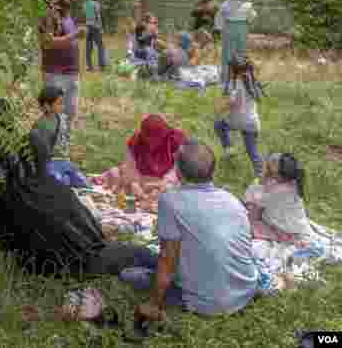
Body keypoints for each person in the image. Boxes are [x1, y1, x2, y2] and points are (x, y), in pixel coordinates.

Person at [0, 98, 155, 278]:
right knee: (142, 253)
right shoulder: (58, 191)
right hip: (74, 266)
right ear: (45, 159)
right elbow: (95, 238)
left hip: (33, 267)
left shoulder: (0, 194)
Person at [120, 140, 258, 320]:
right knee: (144, 255)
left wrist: (153, 305)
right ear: (212, 171)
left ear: (178, 172)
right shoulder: (231, 199)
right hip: (245, 291)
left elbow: (168, 260)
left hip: (208, 303)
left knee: (129, 275)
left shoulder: (171, 201)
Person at [96, 114, 186, 210]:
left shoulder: (176, 139)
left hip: (165, 183)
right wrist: (134, 183)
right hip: (144, 180)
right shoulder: (136, 140)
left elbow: (178, 169)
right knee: (116, 174)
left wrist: (162, 184)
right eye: (148, 138)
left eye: (155, 138)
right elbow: (130, 166)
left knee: (168, 191)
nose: (151, 143)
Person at [38, 0, 85, 128]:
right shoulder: (50, 15)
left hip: (72, 73)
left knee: (70, 114)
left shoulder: (68, 17)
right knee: (53, 116)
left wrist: (77, 36)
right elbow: (47, 43)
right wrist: (75, 34)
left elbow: (68, 40)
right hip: (55, 73)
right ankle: (50, 148)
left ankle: (63, 146)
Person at [244, 152, 313, 243]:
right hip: (295, 223)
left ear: (277, 174)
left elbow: (254, 208)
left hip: (287, 229)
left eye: (270, 164)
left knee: (247, 222)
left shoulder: (276, 191)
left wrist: (259, 183)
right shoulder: (293, 181)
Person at [214, 54, 264, 178]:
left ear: (233, 70)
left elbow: (233, 101)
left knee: (219, 125)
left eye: (229, 68)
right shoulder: (252, 80)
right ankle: (262, 175)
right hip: (252, 122)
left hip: (237, 120)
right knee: (252, 152)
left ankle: (229, 149)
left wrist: (220, 109)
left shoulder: (235, 83)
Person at [34, 85, 88, 188]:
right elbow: (40, 151)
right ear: (46, 106)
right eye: (59, 103)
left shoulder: (62, 119)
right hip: (50, 164)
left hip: (64, 161)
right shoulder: (41, 125)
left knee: (81, 181)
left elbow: (65, 140)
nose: (62, 106)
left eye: (62, 103)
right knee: (61, 184)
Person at [216, 0, 256, 93]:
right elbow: (251, 17)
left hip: (228, 27)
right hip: (242, 27)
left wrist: (219, 29)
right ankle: (241, 76)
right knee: (241, 52)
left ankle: (225, 77)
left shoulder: (225, 4)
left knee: (227, 53)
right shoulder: (247, 5)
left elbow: (219, 17)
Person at [82, 0, 106, 72]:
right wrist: (101, 28)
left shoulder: (85, 4)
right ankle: (102, 66)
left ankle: (89, 66)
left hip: (88, 26)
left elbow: (85, 16)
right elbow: (97, 16)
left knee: (89, 47)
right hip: (96, 27)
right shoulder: (96, 4)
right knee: (101, 46)